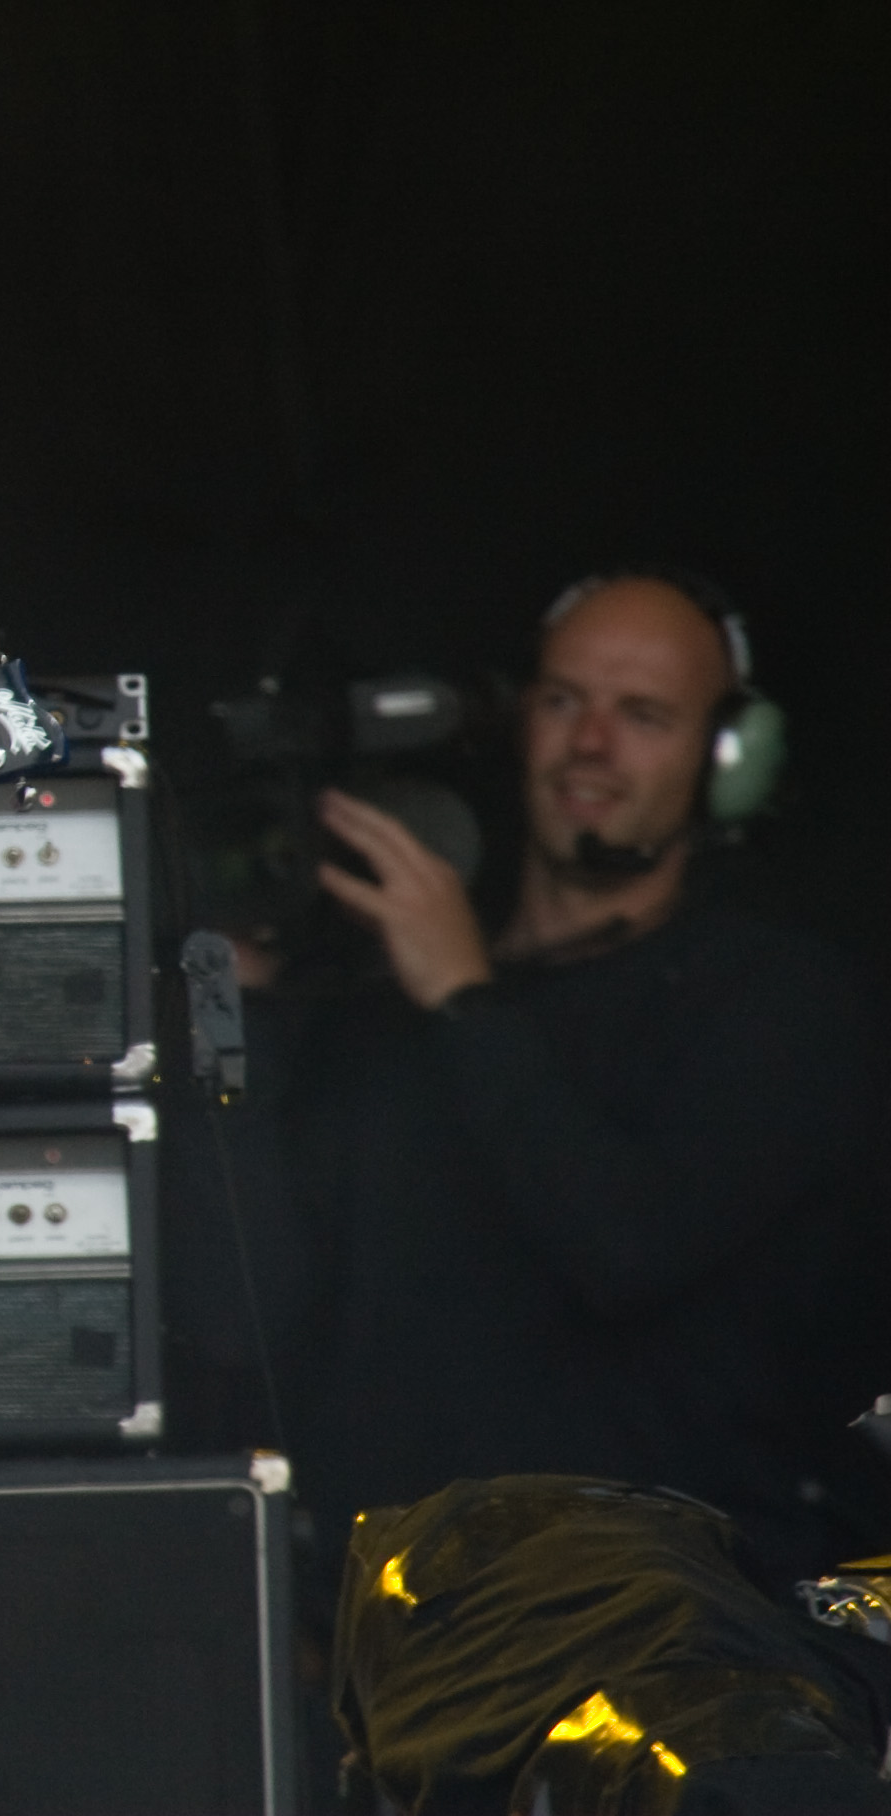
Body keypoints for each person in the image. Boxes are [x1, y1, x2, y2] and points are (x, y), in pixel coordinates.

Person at [262, 572, 884, 1584]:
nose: (590, 743)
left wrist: (464, 999)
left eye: (643, 715)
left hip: (652, 1627)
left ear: (725, 758)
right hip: (390, 1630)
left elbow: (627, 1245)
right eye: (562, 701)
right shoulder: (384, 1012)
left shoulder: (778, 1002)